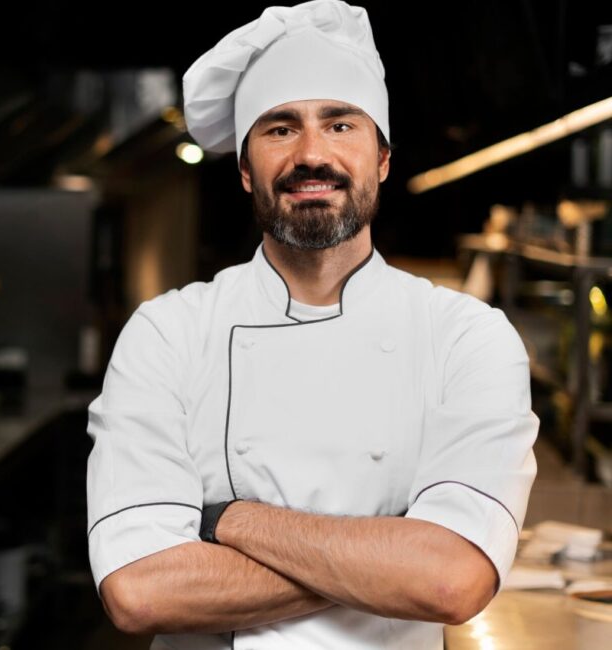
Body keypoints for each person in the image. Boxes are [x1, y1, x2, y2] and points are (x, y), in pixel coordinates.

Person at [85, 1, 540, 648]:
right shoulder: (168, 334)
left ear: (382, 159)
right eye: (279, 128)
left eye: (340, 124)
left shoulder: (467, 338)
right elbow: (139, 592)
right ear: (246, 171)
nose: (311, 154)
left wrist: (231, 521)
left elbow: (450, 583)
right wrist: (391, 559)